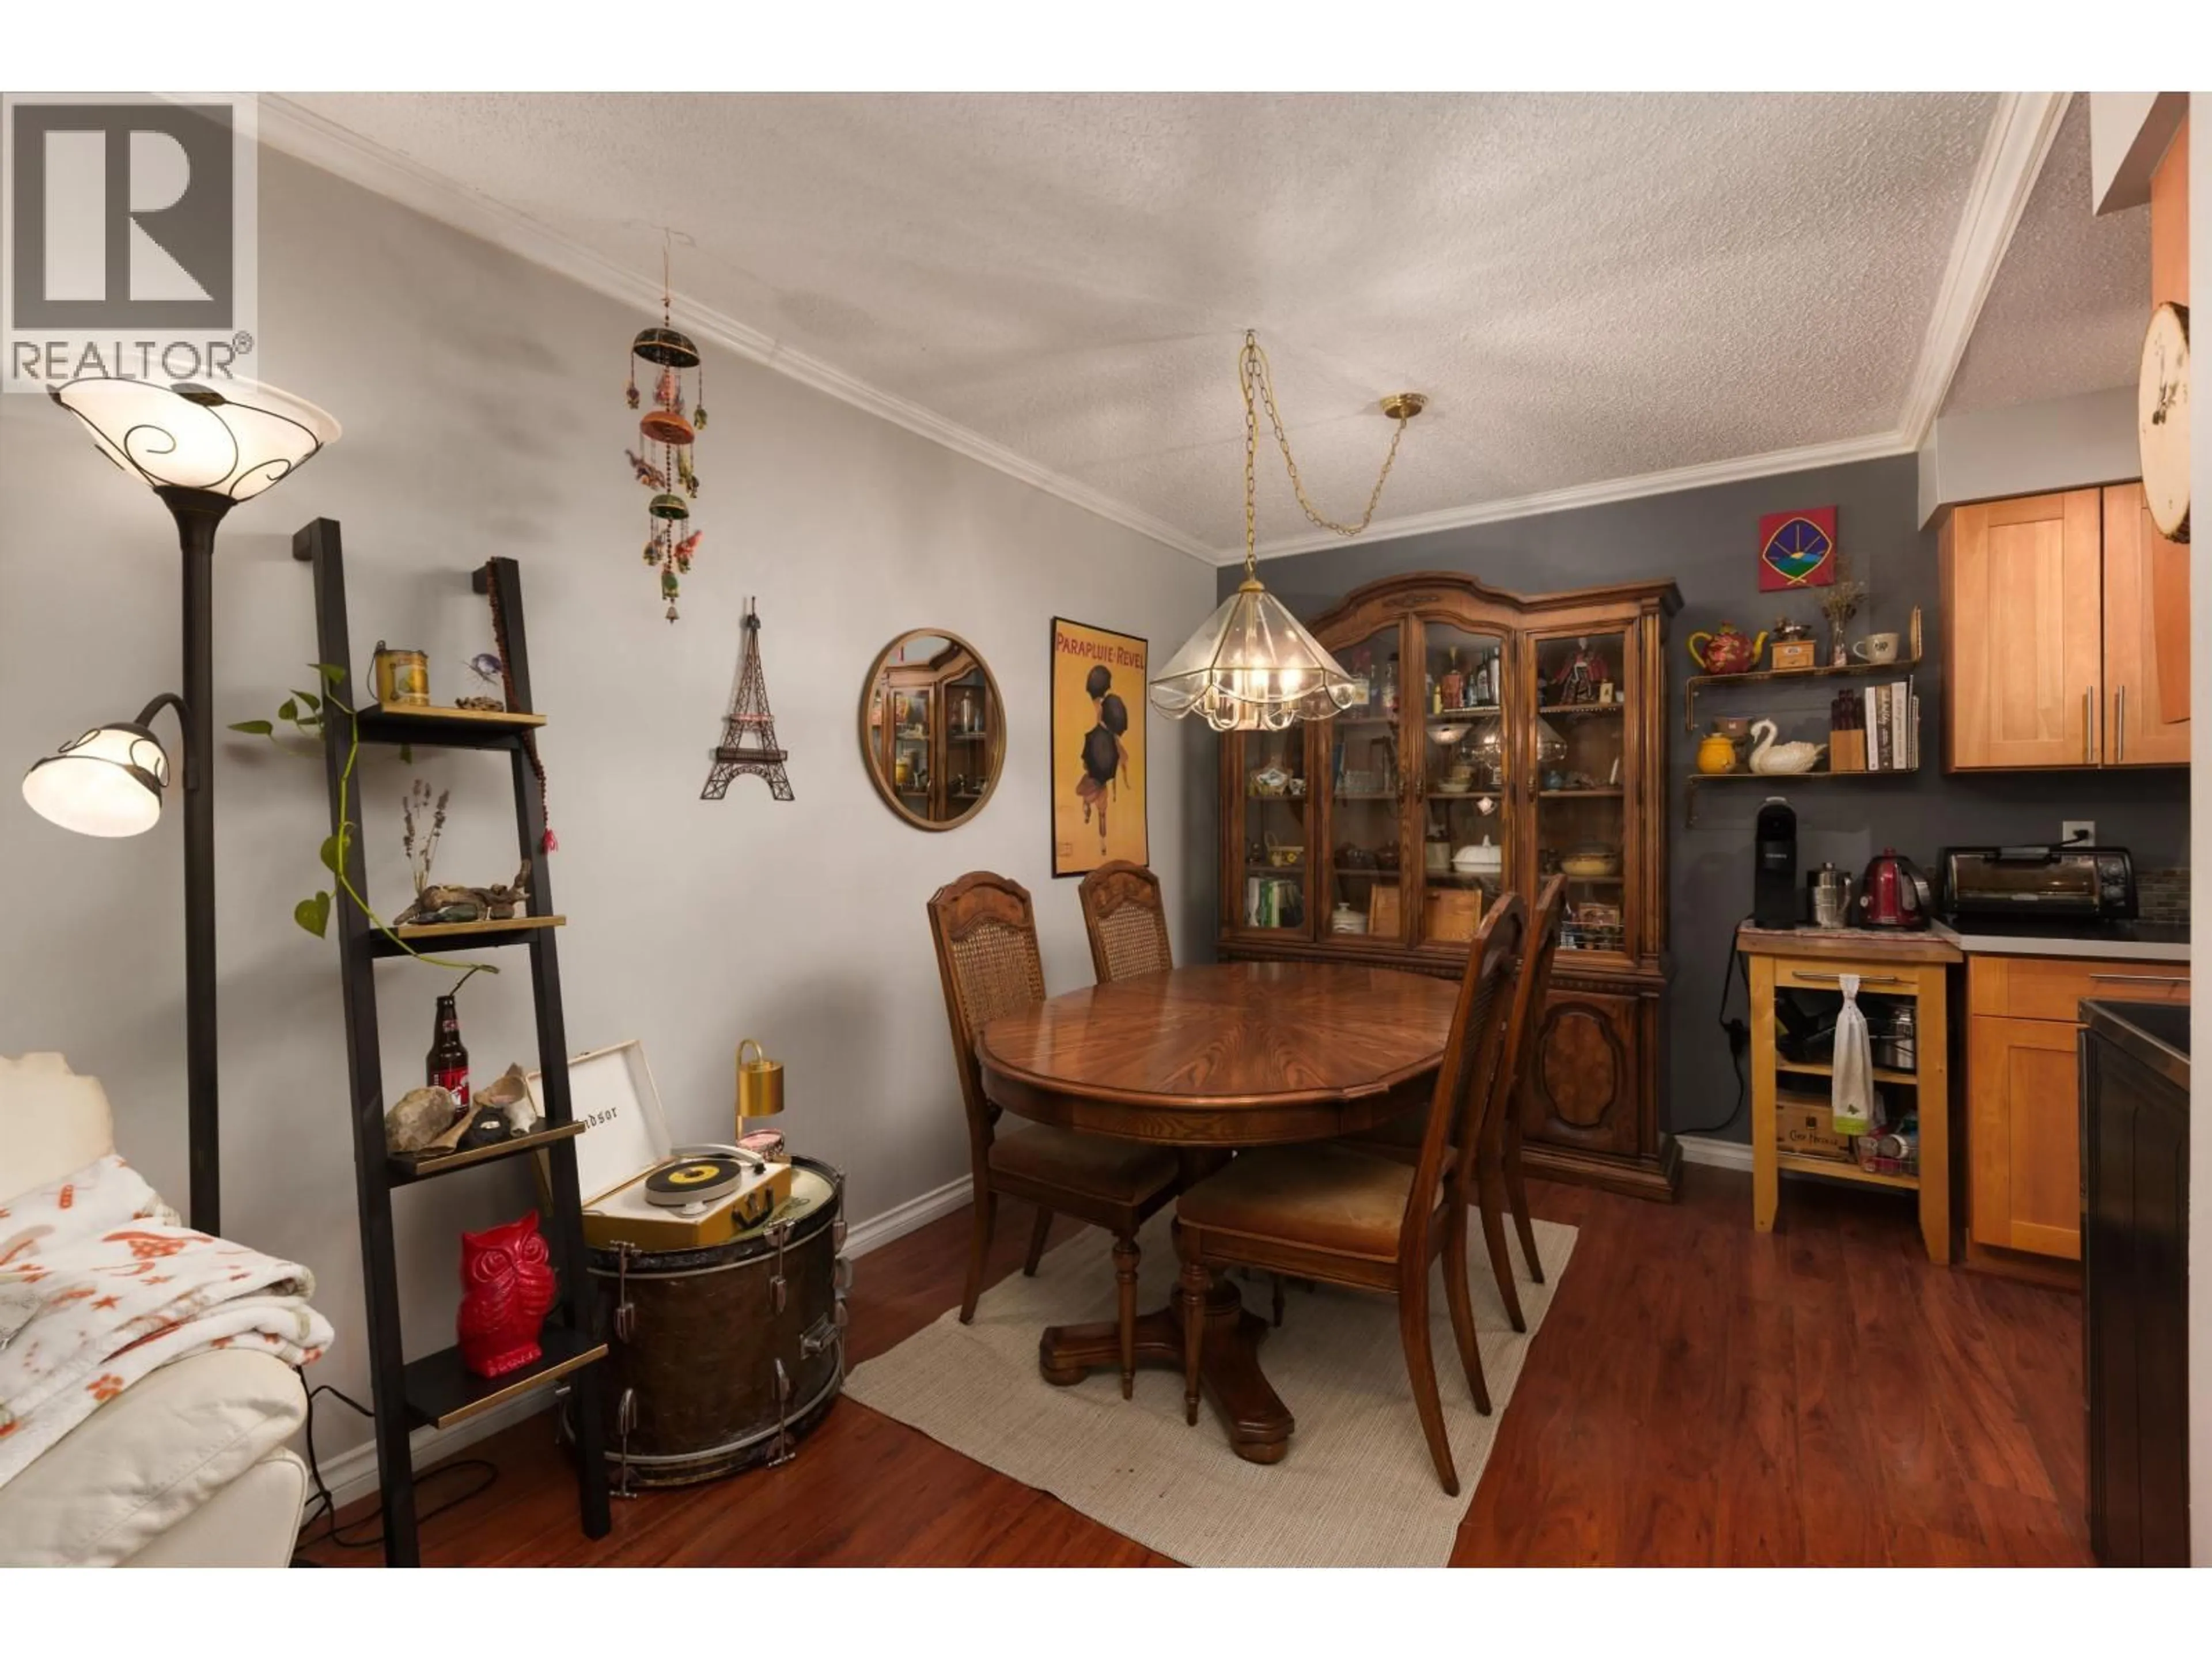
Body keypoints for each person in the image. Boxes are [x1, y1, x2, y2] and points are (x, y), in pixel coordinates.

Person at [1077, 664, 1134, 855]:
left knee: (1100, 808)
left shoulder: (1101, 714)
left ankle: (1101, 840)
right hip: (1101, 765)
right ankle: (1101, 840)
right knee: (1101, 808)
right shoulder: (1104, 718)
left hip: (1100, 766)